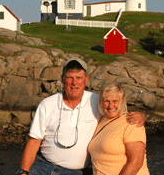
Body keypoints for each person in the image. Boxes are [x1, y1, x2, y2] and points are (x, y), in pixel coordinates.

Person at [17, 58, 146, 175]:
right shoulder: (47, 104)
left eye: (79, 77)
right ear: (62, 79)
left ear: (86, 79)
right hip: (42, 167)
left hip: (76, 172)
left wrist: (141, 116)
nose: (74, 83)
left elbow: (115, 109)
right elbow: (34, 141)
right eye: (70, 77)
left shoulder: (96, 101)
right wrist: (24, 171)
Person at [88, 82, 150, 175]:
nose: (110, 106)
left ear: (123, 100)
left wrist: (142, 117)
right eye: (106, 101)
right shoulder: (101, 121)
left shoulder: (131, 122)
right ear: (100, 101)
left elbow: (135, 163)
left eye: (115, 101)